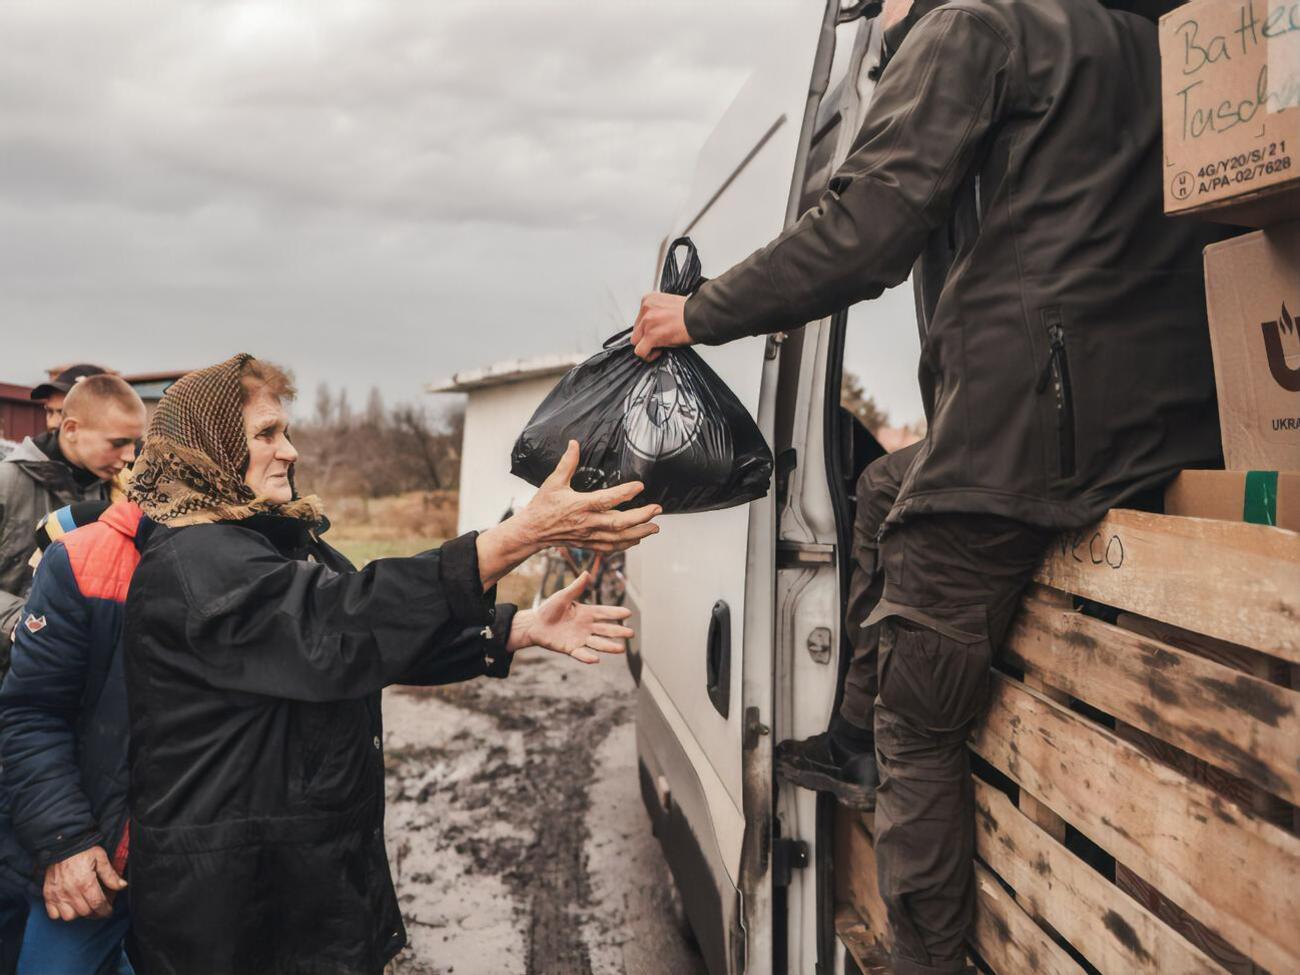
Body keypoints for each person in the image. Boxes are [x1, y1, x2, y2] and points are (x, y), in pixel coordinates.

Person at [631, 1, 1223, 972]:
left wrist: (700, 312)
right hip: (1159, 415)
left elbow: (863, 232)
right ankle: (847, 737)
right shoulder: (1152, 32)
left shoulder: (974, 24)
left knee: (920, 727)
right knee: (877, 491)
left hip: (1031, 426)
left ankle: (922, 949)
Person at [122, 354, 660, 974]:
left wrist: (511, 630)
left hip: (293, 887)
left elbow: (364, 643)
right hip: (236, 911)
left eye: (286, 432)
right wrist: (518, 538)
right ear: (208, 448)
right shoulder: (197, 561)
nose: (290, 451)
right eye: (266, 434)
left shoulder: (259, 542)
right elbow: (339, 625)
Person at [0, 498, 140, 975]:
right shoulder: (75, 535)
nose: (123, 455)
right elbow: (33, 712)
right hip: (65, 821)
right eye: (116, 443)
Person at [0, 376, 145, 672]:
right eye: (118, 443)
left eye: (134, 443)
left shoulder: (117, 494)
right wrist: (23, 621)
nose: (130, 456)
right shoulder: (6, 484)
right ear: (72, 429)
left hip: (66, 673)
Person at [29, 366, 113, 435]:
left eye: (64, 413)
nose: (52, 423)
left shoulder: (122, 454)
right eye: (50, 412)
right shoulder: (34, 453)